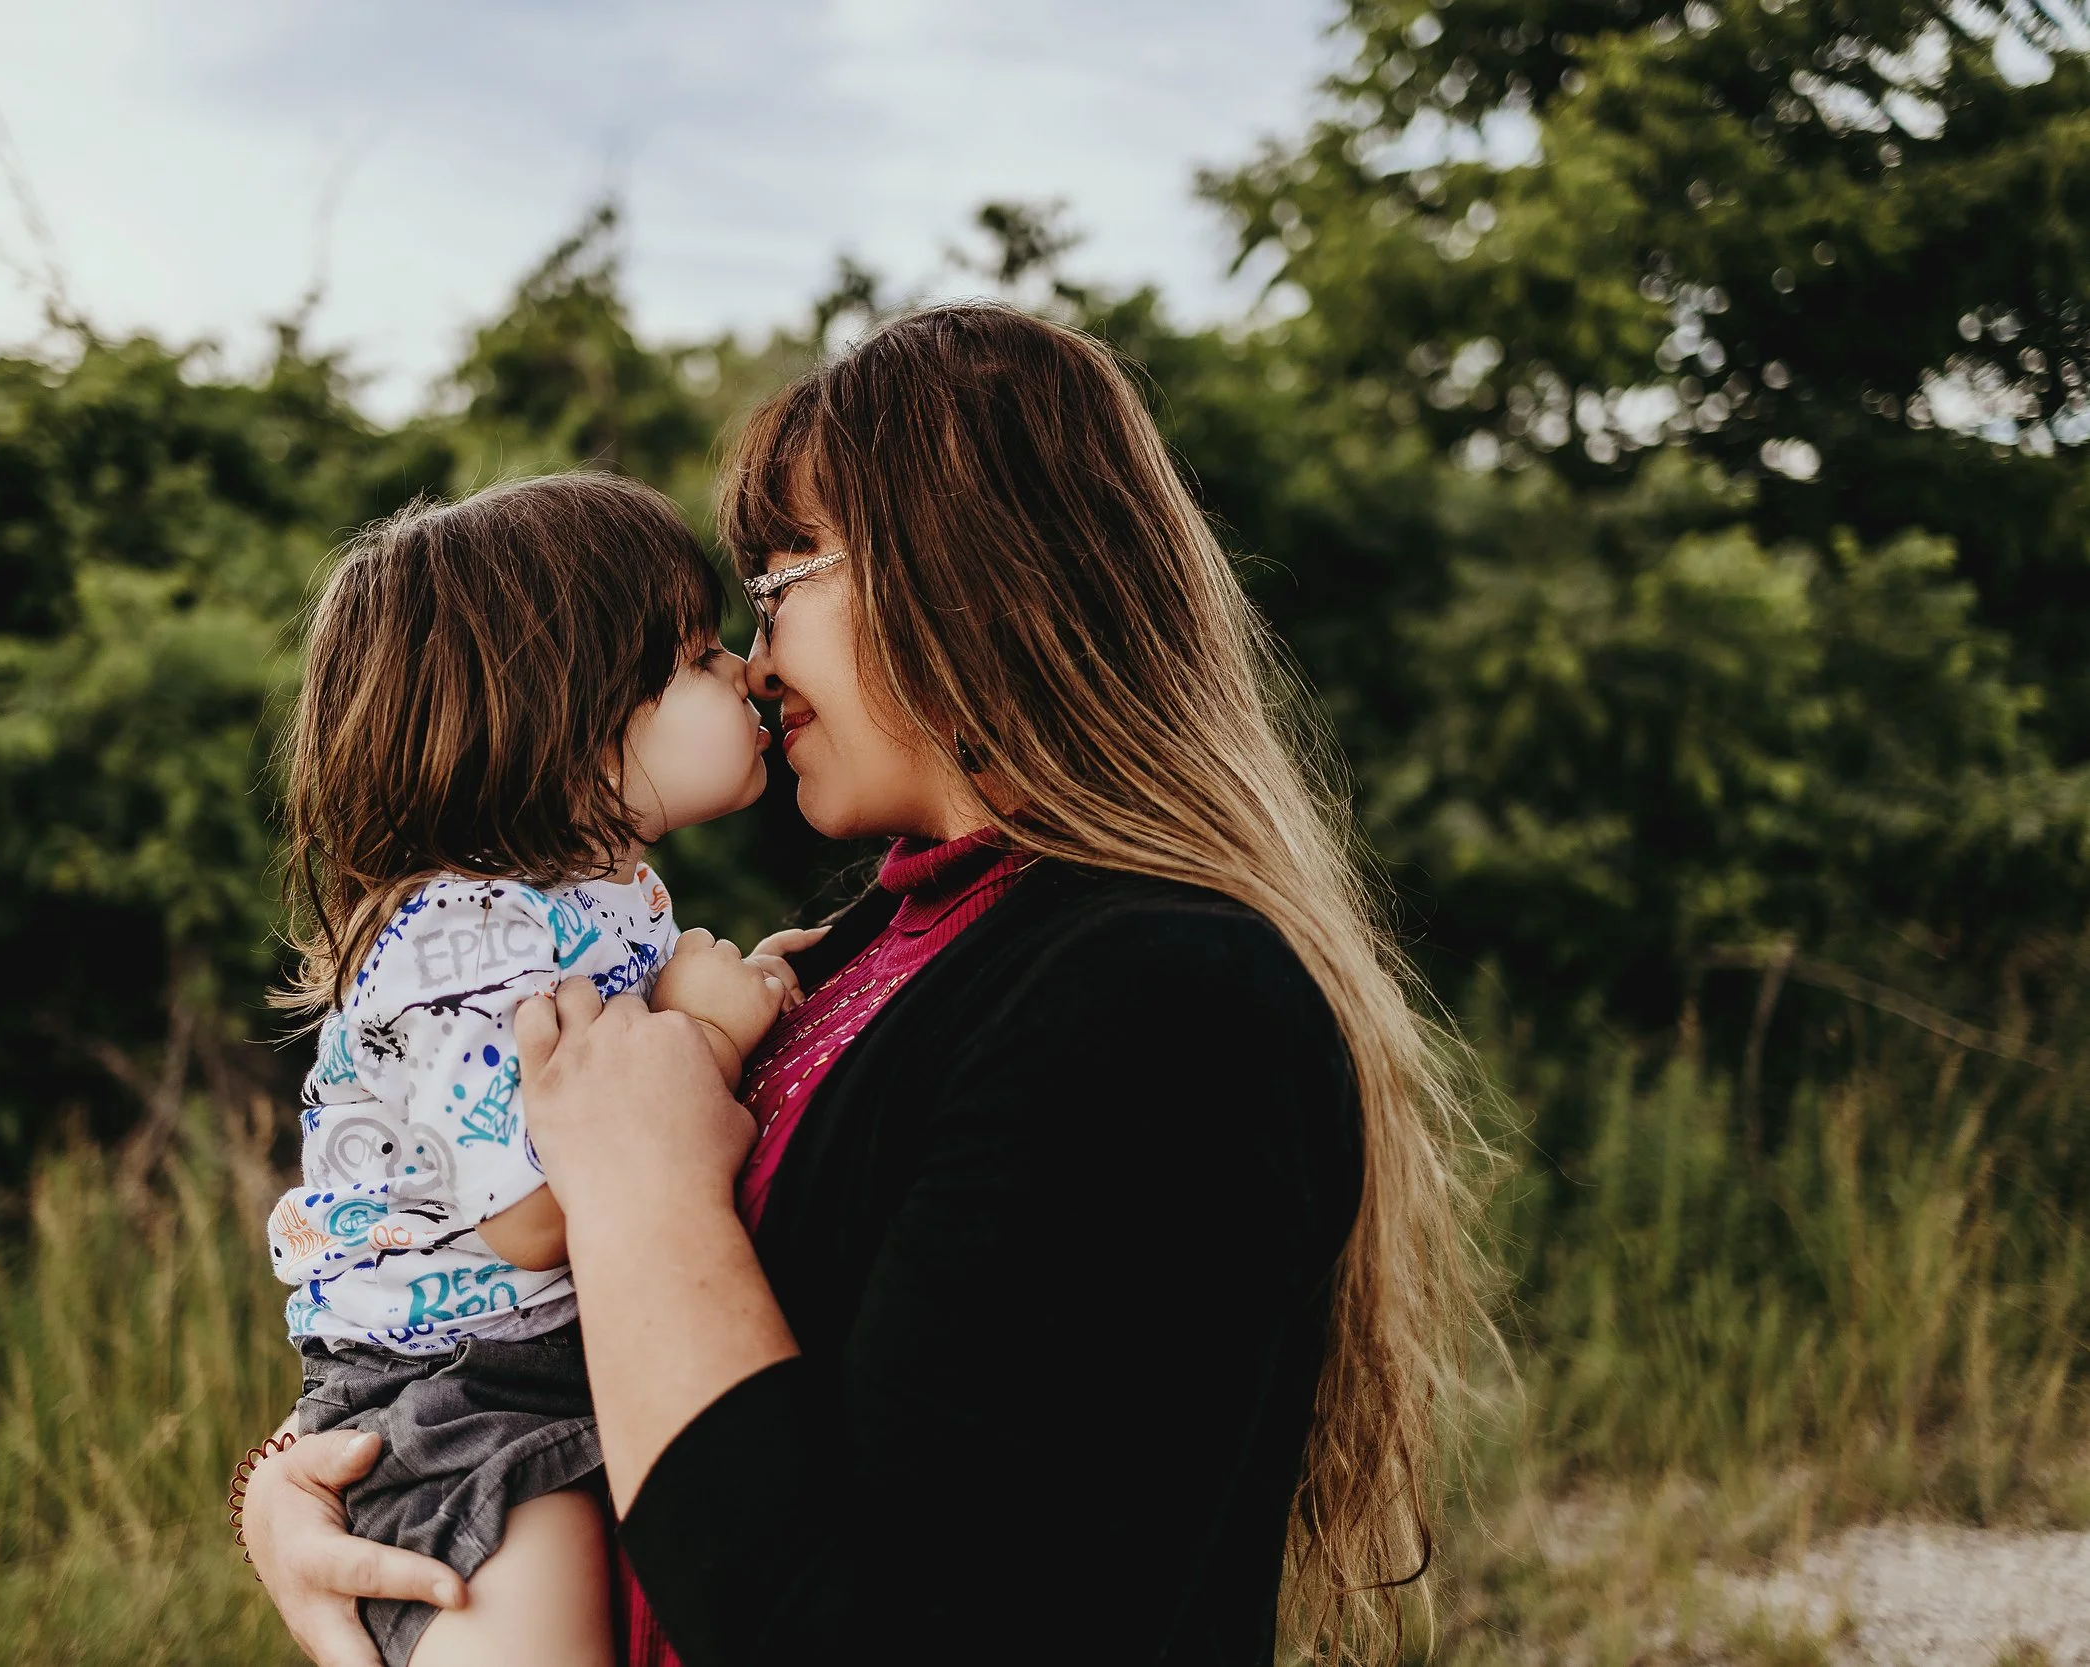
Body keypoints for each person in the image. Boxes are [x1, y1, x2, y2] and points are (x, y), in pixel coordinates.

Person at [243, 304, 1482, 1666]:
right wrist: (309, 1478)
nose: (757, 657)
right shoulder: (868, 955)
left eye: (783, 578)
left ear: (964, 572)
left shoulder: (1159, 996)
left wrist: (639, 1184)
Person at [262, 471, 815, 1667]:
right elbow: (525, 1210)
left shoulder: (601, 904)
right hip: (460, 1392)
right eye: (694, 654)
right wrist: (708, 1035)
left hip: (538, 1354)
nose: (744, 674)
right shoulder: (461, 935)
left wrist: (748, 995)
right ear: (566, 731)